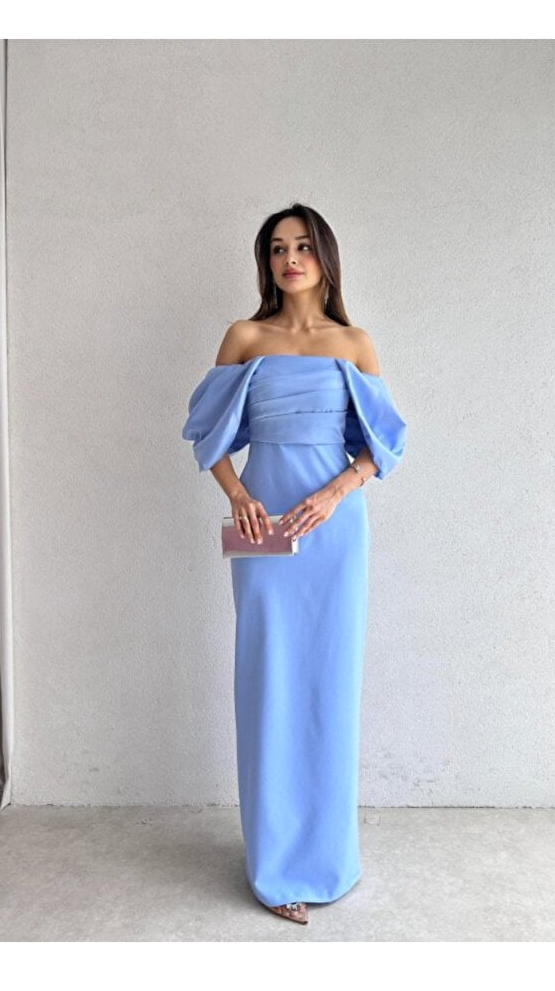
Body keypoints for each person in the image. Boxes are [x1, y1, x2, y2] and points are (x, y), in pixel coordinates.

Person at [182, 203, 407, 925]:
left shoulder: (354, 343)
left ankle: (329, 857)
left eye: (303, 246)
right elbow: (207, 436)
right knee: (269, 680)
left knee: (328, 684)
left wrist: (337, 491)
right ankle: (276, 864)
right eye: (277, 248)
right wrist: (239, 496)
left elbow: (383, 444)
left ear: (324, 256)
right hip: (264, 530)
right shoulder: (245, 337)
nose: (290, 259)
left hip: (334, 536)